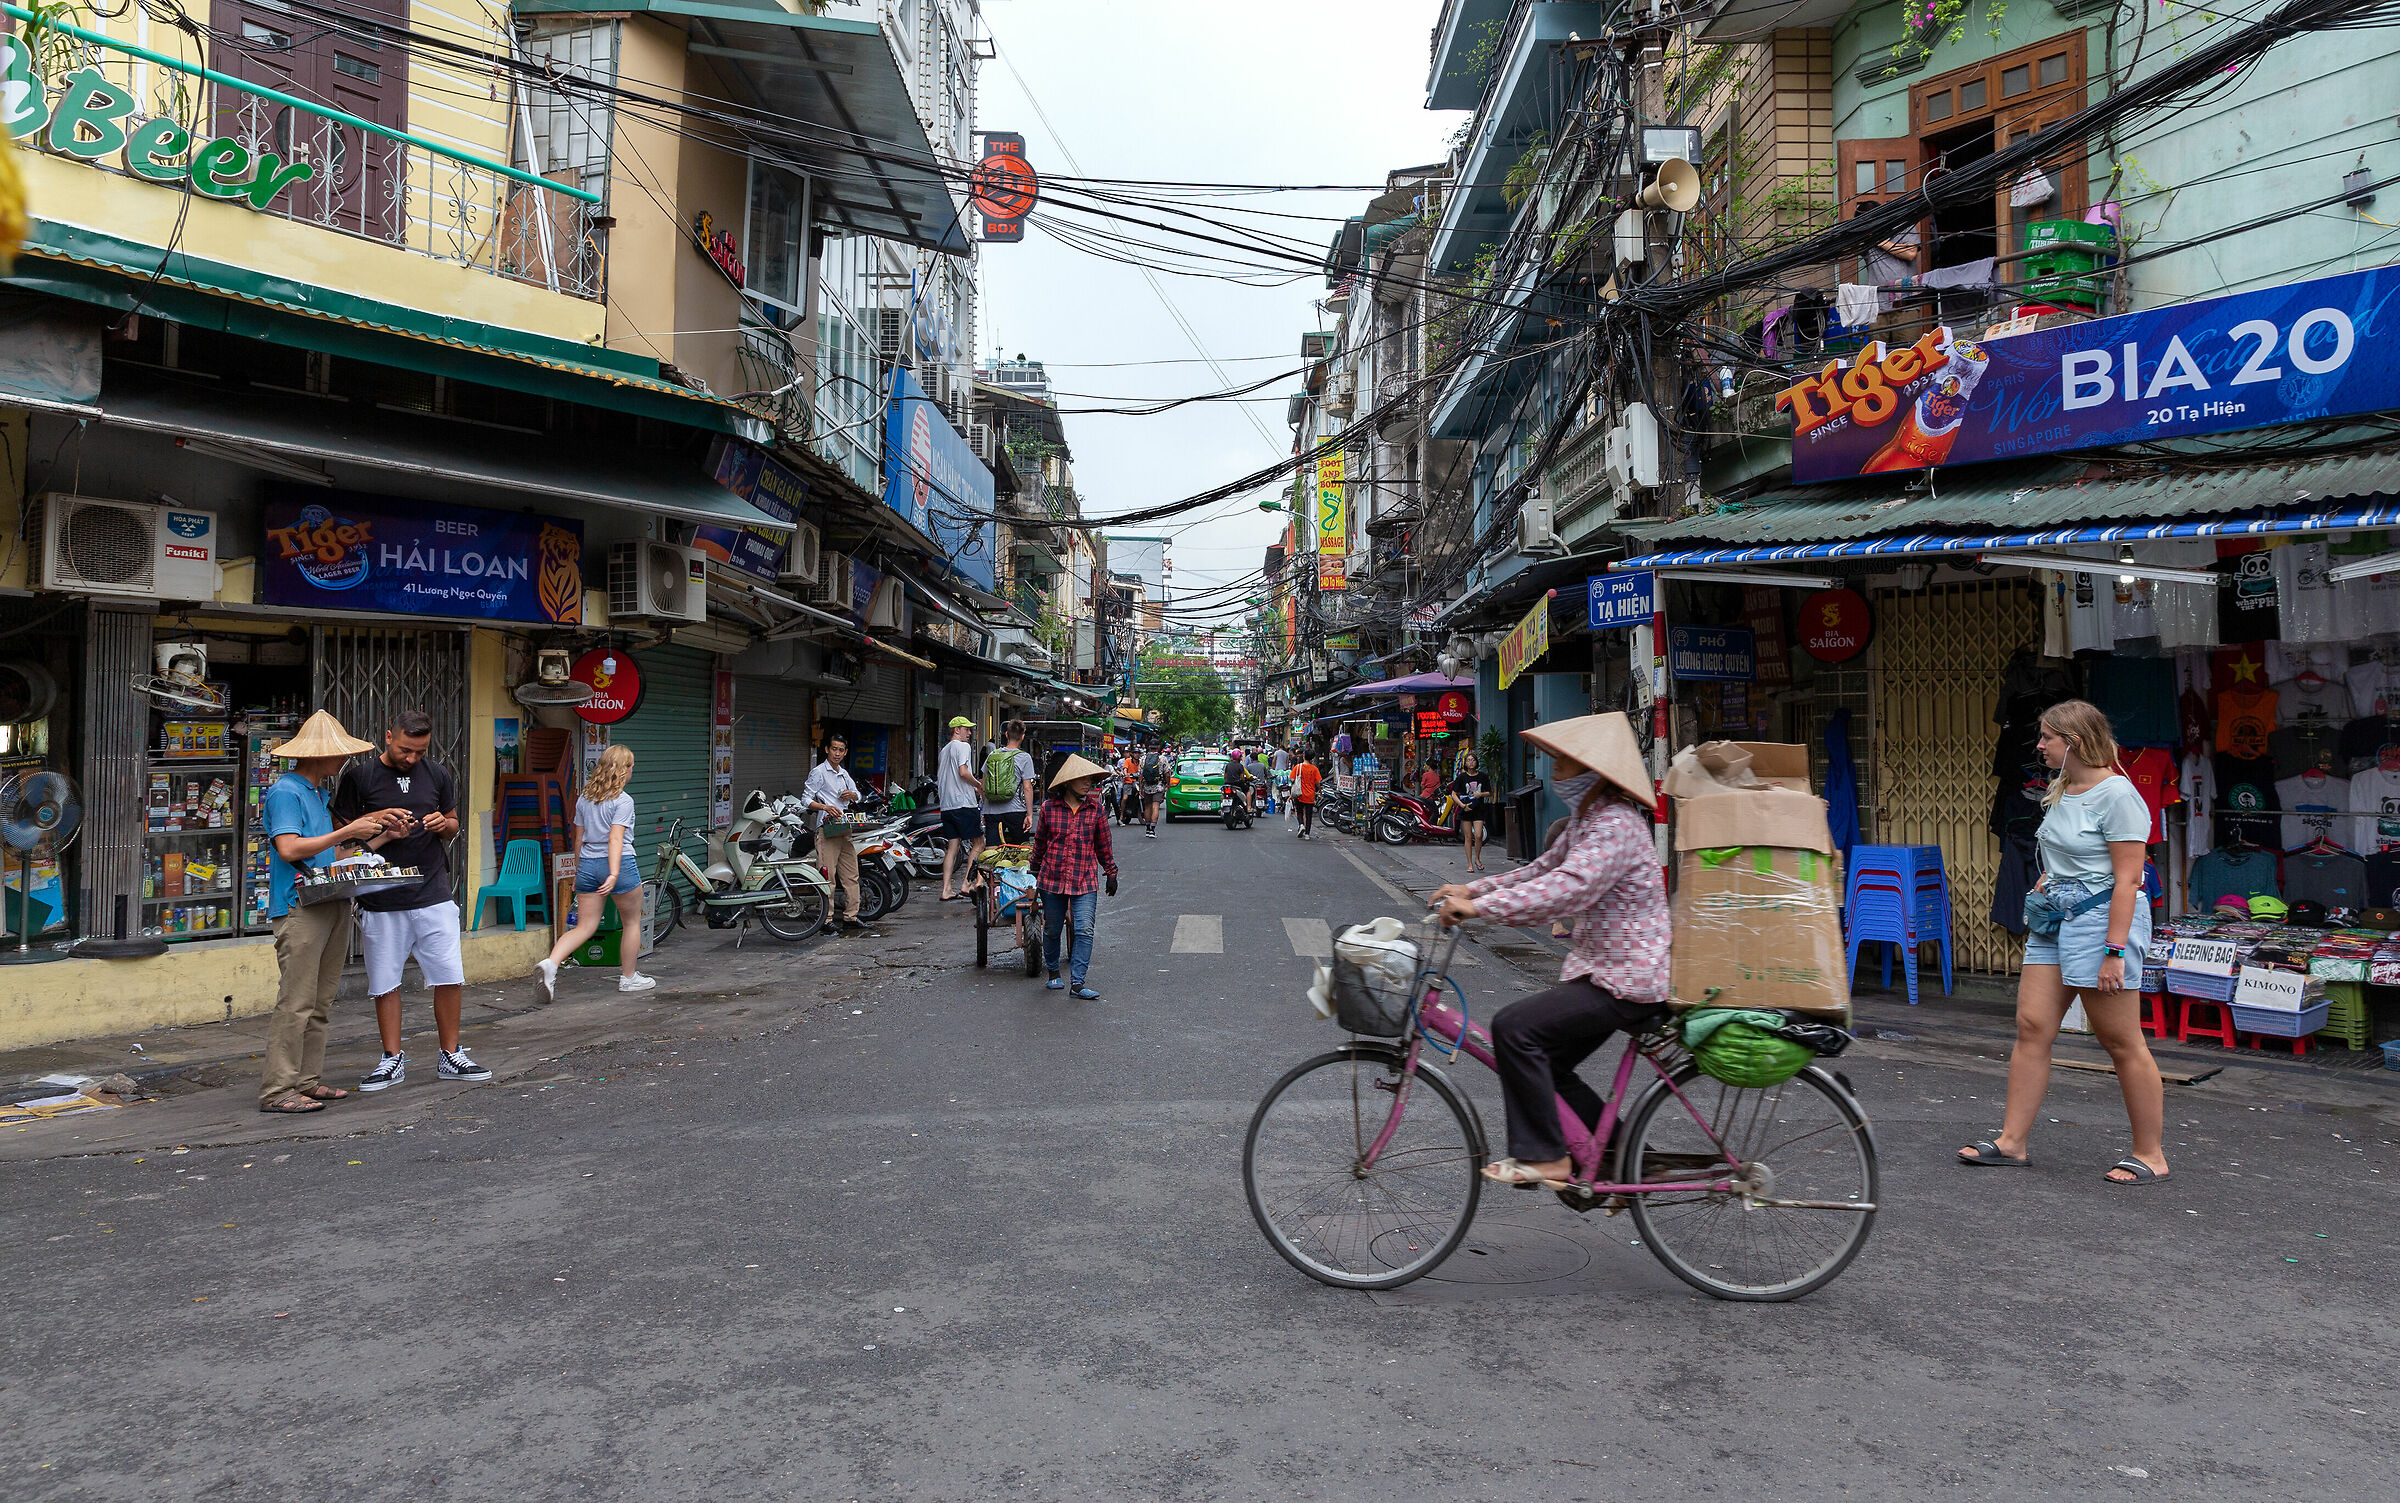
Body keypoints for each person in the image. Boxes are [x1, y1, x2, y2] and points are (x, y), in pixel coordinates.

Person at [1430, 713, 1668, 1190]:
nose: (1555, 773)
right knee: (1549, 1063)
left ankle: (1546, 1158)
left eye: (1563, 764)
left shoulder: (1615, 827)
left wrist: (1480, 911)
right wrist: (1474, 890)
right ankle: (1623, 1158)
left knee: (1514, 1029)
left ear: (1590, 773)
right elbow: (1538, 871)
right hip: (1602, 970)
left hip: (1627, 978)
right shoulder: (1587, 820)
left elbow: (1563, 890)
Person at [1959, 699, 2169, 1184]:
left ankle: (2150, 1153)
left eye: (2047, 737)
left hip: (2102, 924)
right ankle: (2012, 1143)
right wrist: (2049, 881)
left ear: (2072, 741)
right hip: (2056, 918)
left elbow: (2127, 880)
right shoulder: (2064, 788)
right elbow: (2068, 855)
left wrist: (2115, 951)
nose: (2039, 746)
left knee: (2120, 1041)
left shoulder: (2118, 794)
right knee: (2032, 1026)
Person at [338, 708, 490, 1093]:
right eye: (406, 750)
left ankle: (451, 1053)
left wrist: (445, 825)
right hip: (381, 895)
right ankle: (392, 1058)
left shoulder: (437, 774)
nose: (412, 759)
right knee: (385, 981)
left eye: (420, 752)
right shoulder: (360, 777)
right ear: (388, 737)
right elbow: (342, 839)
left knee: (449, 974)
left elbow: (454, 823)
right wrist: (380, 823)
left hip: (432, 890)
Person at [258, 712, 402, 1114]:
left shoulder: (317, 794)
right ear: (321, 755)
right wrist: (349, 830)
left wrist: (382, 835)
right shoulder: (287, 792)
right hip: (299, 908)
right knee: (297, 1002)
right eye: (339, 754)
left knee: (320, 1002)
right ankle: (277, 1090)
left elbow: (329, 855)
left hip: (329, 901)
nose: (344, 760)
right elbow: (289, 849)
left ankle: (306, 1080)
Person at [536, 745, 654, 999]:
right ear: (623, 770)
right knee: (632, 921)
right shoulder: (623, 800)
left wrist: (579, 871)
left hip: (588, 864)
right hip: (618, 863)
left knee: (585, 926)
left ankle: (551, 964)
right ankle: (629, 978)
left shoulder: (584, 798)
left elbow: (577, 838)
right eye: (631, 766)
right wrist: (613, 873)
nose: (633, 770)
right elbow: (615, 838)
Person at [1031, 753, 1117, 999]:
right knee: (1052, 930)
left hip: (1085, 878)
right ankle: (1053, 973)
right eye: (1082, 778)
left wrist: (1111, 873)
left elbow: (1103, 846)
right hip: (1052, 878)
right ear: (1068, 782)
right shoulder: (1049, 808)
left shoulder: (1096, 810)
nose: (1087, 783)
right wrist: (1033, 873)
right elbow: (1040, 844)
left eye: (1090, 778)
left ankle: (1078, 983)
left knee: (1084, 929)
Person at [804, 732, 866, 935]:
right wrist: (824, 806)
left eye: (841, 750)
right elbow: (805, 800)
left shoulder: (844, 774)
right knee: (828, 877)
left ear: (845, 752)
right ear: (827, 750)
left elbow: (859, 796)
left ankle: (851, 917)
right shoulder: (819, 772)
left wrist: (853, 795)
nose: (837, 753)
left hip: (844, 829)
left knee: (851, 875)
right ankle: (826, 919)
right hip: (827, 829)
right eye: (834, 749)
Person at [937, 716, 985, 901]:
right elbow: (963, 772)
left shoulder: (945, 750)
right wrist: (979, 785)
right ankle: (966, 883)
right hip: (963, 804)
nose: (970, 733)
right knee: (979, 844)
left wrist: (970, 785)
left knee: (953, 846)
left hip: (947, 805)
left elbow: (954, 777)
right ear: (957, 729)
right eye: (967, 729)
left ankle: (946, 889)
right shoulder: (962, 746)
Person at [982, 720, 1038, 847]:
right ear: (1023, 736)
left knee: (992, 851)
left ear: (1006, 734)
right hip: (1016, 811)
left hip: (992, 811)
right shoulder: (1025, 757)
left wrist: (985, 811)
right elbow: (1027, 788)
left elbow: (983, 786)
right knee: (1020, 850)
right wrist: (1029, 814)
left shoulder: (992, 755)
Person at [1453, 748, 1494, 873]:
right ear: (1465, 763)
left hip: (1478, 809)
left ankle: (1477, 858)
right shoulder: (1461, 777)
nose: (1471, 763)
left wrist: (1479, 795)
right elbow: (1453, 793)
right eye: (1468, 760)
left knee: (1478, 835)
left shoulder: (1483, 776)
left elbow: (1489, 793)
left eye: (1473, 760)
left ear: (1476, 762)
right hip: (1465, 809)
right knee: (1468, 837)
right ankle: (1470, 864)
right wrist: (1461, 805)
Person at [1138, 742, 1169, 838]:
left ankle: (1147, 829)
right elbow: (1167, 773)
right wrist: (1167, 784)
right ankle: (1152, 829)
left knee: (1147, 807)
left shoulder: (1143, 759)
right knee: (1155, 806)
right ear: (1158, 747)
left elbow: (1140, 775)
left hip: (1147, 785)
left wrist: (1140, 787)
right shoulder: (1162, 759)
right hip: (1158, 785)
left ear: (1149, 747)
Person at [1292, 754, 1322, 839]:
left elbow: (1292, 779)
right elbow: (1317, 782)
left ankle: (1301, 824)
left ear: (1304, 757)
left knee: (1299, 811)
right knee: (1309, 815)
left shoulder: (1298, 767)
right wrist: (1320, 789)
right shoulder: (1314, 769)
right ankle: (1307, 834)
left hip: (1299, 794)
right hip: (1310, 795)